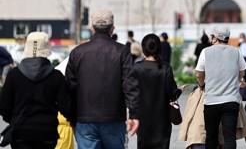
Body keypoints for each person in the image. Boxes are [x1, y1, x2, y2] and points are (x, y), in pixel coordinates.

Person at [66, 10, 140, 148]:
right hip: (114, 117)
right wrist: (134, 114)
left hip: (84, 118)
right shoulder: (122, 51)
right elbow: (130, 85)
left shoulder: (77, 52)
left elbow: (70, 88)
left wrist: (71, 116)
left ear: (91, 28)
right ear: (112, 28)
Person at [0, 32, 73, 149]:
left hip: (20, 130)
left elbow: (4, 107)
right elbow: (66, 107)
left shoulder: (14, 75)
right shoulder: (56, 76)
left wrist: (12, 119)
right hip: (47, 132)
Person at [195, 28, 246, 149]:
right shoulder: (236, 51)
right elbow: (242, 71)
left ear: (215, 37)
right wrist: (237, 81)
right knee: (229, 136)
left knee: (211, 136)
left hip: (211, 100)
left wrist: (202, 84)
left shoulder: (205, 51)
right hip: (231, 100)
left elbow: (199, 73)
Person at [132, 34, 179, 149]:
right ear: (159, 48)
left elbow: (131, 92)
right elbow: (173, 94)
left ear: (143, 49)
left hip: (143, 120)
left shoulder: (136, 68)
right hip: (162, 121)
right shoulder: (165, 68)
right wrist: (179, 90)